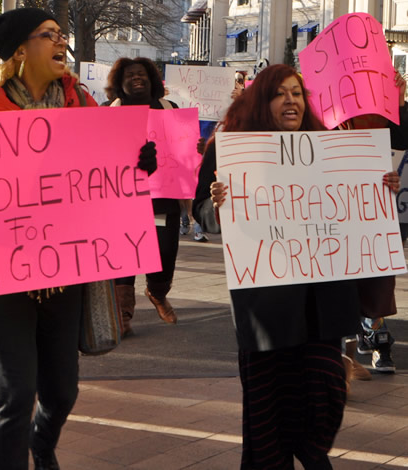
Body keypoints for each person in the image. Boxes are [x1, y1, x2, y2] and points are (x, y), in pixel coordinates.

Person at [0, 8, 156, 470]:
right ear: (20, 50)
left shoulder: (83, 104)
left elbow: (111, 175)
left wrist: (140, 162)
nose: (62, 41)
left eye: (61, 34)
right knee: (15, 393)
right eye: (49, 35)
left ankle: (42, 446)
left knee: (62, 391)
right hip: (0, 271)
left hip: (63, 270)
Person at [201, 64, 400, 469]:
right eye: (280, 93)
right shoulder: (232, 148)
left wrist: (382, 188)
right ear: (262, 101)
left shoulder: (331, 146)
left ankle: (312, 455)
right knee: (267, 403)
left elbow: (359, 209)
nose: (291, 100)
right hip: (266, 302)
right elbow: (202, 215)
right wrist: (217, 202)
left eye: (297, 93)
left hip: (323, 302)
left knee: (324, 391)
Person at [104, 57, 185, 334]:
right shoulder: (107, 112)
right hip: (122, 202)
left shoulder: (169, 109)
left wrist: (193, 148)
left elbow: (181, 154)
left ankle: (157, 292)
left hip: (161, 201)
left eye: (142, 74)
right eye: (130, 75)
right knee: (124, 254)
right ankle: (122, 316)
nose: (136, 78)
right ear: (119, 82)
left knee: (163, 251)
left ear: (151, 80)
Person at [340, 71, 408, 377]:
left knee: (377, 279)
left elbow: (402, 140)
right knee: (343, 282)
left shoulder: (381, 112)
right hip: (332, 211)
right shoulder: (324, 114)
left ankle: (378, 338)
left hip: (374, 209)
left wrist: (399, 104)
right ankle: (354, 346)